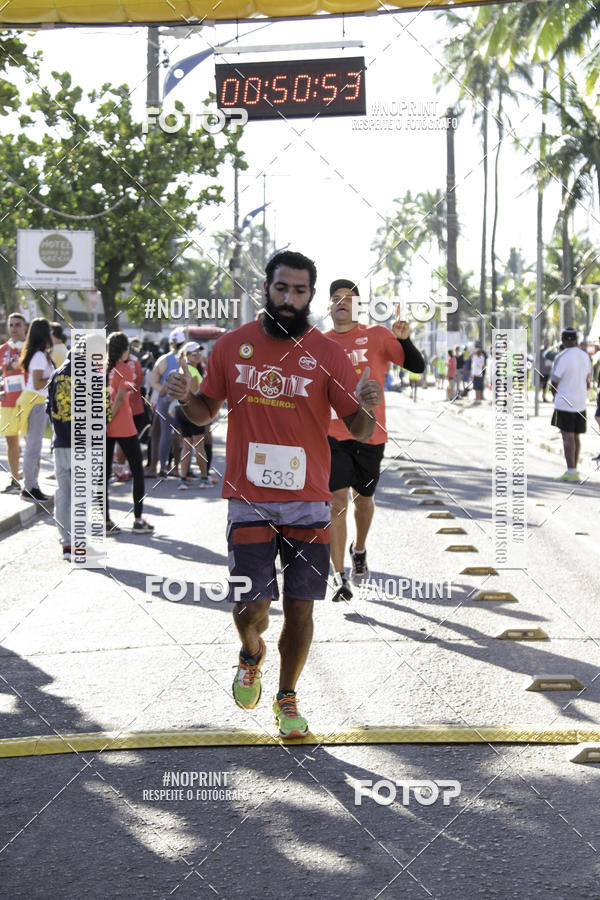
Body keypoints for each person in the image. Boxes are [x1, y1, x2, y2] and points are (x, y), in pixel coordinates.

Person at [167, 250, 382, 738]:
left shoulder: (327, 354)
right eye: (281, 288)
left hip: (309, 499)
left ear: (311, 295)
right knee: (252, 605)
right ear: (266, 288)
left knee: (302, 605)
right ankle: (251, 652)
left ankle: (287, 697)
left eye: (299, 291)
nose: (289, 298)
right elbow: (204, 412)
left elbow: (359, 429)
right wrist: (185, 398)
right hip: (248, 497)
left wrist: (368, 406)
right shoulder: (232, 346)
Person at [324, 279, 424, 602]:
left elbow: (416, 366)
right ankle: (339, 576)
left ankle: (359, 548)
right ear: (328, 307)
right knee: (336, 503)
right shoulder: (319, 343)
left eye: (349, 298)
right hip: (332, 434)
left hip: (370, 433)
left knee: (363, 500)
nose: (342, 302)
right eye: (336, 298)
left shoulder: (377, 336)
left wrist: (404, 340)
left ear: (359, 307)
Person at [105, 332, 154, 533]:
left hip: (104, 427)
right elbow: (119, 399)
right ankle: (138, 520)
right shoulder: (125, 368)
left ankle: (106, 521)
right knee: (137, 472)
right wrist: (109, 418)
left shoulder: (101, 368)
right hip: (123, 425)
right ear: (125, 350)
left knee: (103, 475)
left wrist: (103, 421)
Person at [17, 318, 54, 502]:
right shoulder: (39, 356)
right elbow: (39, 383)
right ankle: (29, 488)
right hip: (34, 401)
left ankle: (32, 486)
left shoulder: (39, 354)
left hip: (33, 400)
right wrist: (54, 377)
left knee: (34, 447)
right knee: (33, 447)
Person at [550, 327, 592, 481]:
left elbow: (554, 382)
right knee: (576, 437)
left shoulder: (561, 357)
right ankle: (574, 470)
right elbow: (588, 379)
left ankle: (571, 471)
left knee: (567, 437)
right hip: (580, 402)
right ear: (576, 339)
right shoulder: (585, 356)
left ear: (562, 340)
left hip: (564, 403)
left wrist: (554, 395)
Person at [147, 327, 185, 478]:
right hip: (182, 400)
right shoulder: (187, 360)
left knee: (163, 434)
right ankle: (177, 468)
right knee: (180, 435)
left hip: (164, 400)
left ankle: (162, 468)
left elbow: (153, 382)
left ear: (170, 343)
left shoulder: (163, 360)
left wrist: (164, 390)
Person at [174, 341, 208, 490]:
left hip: (180, 409)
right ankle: (204, 478)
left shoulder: (182, 369)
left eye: (199, 352)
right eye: (194, 353)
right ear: (187, 355)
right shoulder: (191, 371)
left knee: (186, 446)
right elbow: (193, 395)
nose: (198, 355)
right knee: (199, 446)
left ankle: (183, 479)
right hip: (192, 410)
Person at [0, 312, 27, 493]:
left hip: (28, 402)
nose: (14, 328)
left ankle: (32, 484)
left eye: (17, 324)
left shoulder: (31, 348)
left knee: (31, 443)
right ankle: (15, 481)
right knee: (11, 443)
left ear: (25, 327)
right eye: (11, 325)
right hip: (8, 403)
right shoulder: (3, 349)